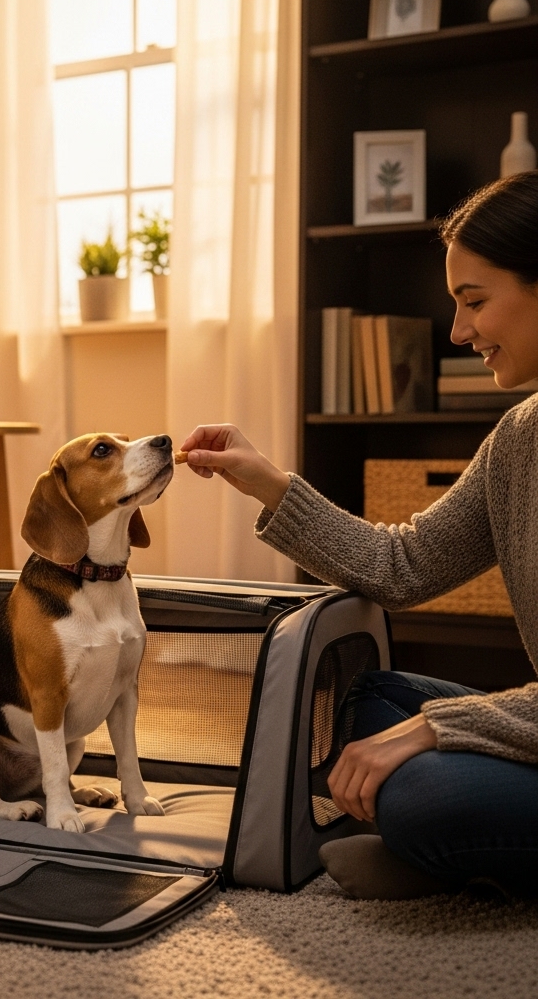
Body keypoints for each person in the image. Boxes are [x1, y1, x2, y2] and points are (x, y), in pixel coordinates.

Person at [180, 170, 538, 900]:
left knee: (424, 793)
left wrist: (434, 730)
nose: (459, 330)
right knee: (368, 697)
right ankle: (456, 852)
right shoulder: (519, 440)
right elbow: (401, 565)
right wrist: (266, 481)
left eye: (474, 301)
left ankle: (444, 848)